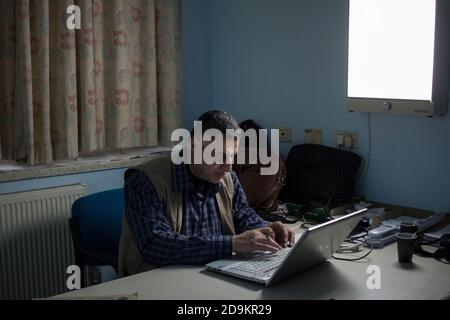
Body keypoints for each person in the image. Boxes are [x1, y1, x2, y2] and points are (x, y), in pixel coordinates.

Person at [118, 110, 294, 277]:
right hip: (157, 279)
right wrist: (233, 243)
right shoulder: (144, 180)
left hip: (212, 273)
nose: (229, 166)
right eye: (220, 155)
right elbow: (156, 245)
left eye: (232, 156)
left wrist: (266, 229)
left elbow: (242, 214)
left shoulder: (227, 177)